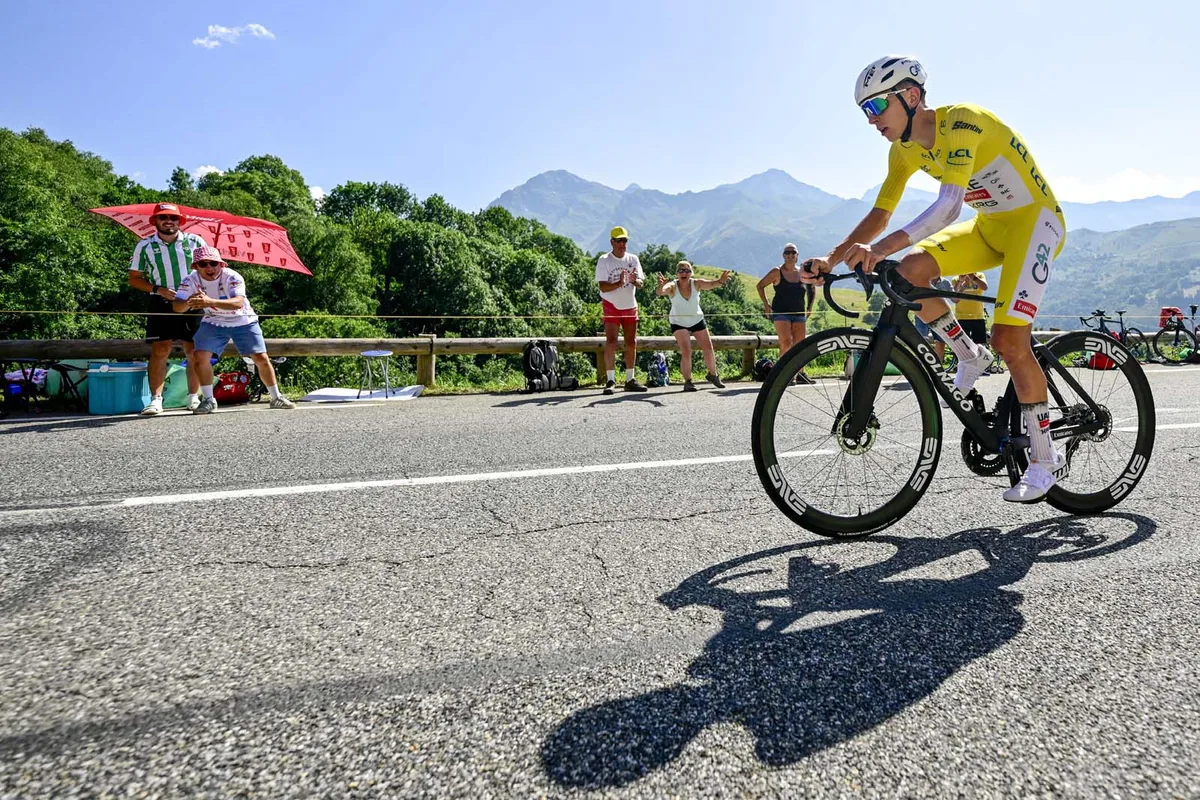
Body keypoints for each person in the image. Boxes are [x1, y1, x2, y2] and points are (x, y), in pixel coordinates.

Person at [800, 55, 1069, 502]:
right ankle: (969, 354)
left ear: (910, 96)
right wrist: (832, 259)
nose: (871, 121)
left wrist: (880, 249)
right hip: (989, 228)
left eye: (876, 107)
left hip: (1035, 223)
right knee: (911, 272)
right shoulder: (902, 150)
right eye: (864, 112)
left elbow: (948, 208)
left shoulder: (963, 123)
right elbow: (880, 215)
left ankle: (1045, 459)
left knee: (1011, 340)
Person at [171, 245, 295, 413]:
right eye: (203, 264)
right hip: (213, 321)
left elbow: (238, 303)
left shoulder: (233, 276)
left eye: (214, 263)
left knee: (261, 357)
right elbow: (177, 307)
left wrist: (209, 302)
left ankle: (276, 397)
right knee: (199, 356)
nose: (209, 268)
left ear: (221, 265)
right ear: (195, 267)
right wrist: (189, 301)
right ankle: (208, 400)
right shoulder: (190, 280)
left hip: (243, 320)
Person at [127, 202, 205, 414]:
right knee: (160, 350)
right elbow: (134, 279)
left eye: (173, 218)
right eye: (163, 218)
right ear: (155, 221)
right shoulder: (144, 245)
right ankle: (156, 400)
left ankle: (194, 398)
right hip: (160, 301)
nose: (169, 221)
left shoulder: (196, 241)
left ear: (180, 222)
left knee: (194, 350)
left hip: (193, 300)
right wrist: (157, 289)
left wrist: (202, 291)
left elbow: (209, 269)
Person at [656, 261, 732, 391]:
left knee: (708, 348)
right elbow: (661, 292)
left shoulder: (696, 283)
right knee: (686, 351)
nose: (684, 273)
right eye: (681, 271)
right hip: (678, 322)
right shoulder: (672, 286)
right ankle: (688, 381)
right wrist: (660, 286)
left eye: (687, 271)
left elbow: (711, 284)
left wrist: (721, 281)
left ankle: (713, 375)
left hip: (697, 319)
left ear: (691, 273)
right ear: (677, 273)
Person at [595, 226, 647, 394]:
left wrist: (634, 281)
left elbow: (641, 283)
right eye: (618, 240)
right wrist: (618, 283)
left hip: (630, 305)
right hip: (611, 305)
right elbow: (602, 286)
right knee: (611, 342)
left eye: (624, 240)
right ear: (611, 242)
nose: (622, 244)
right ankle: (610, 381)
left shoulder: (633, 259)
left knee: (631, 342)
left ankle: (630, 379)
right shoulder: (604, 260)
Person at [757, 243, 816, 382]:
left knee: (800, 344)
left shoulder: (801, 272)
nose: (790, 255)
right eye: (787, 253)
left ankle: (800, 373)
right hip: (781, 312)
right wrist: (766, 305)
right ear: (783, 256)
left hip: (799, 312)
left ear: (797, 255)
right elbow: (760, 286)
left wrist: (810, 307)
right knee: (786, 342)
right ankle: (784, 375)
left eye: (793, 253)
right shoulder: (776, 272)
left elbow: (812, 287)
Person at [952, 271, 990, 347]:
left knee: (980, 344)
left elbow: (985, 287)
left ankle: (980, 358)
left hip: (977, 316)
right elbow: (954, 295)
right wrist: (960, 281)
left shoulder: (980, 275)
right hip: (961, 316)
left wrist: (973, 277)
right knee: (963, 344)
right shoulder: (956, 278)